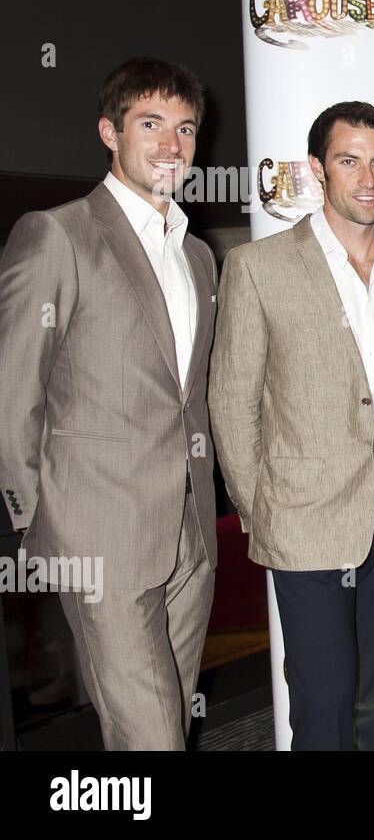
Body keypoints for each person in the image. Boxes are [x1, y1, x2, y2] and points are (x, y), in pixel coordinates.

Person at [0, 57, 218, 750]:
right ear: (108, 131)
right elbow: (13, 389)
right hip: (100, 536)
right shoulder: (57, 235)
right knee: (153, 737)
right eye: (149, 124)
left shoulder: (199, 257)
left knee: (164, 724)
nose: (170, 144)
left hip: (189, 533)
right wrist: (41, 522)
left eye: (185, 128)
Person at [209, 101, 374, 750]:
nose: (367, 178)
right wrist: (263, 509)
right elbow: (232, 400)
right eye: (349, 160)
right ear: (317, 169)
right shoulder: (260, 266)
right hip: (304, 519)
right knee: (324, 698)